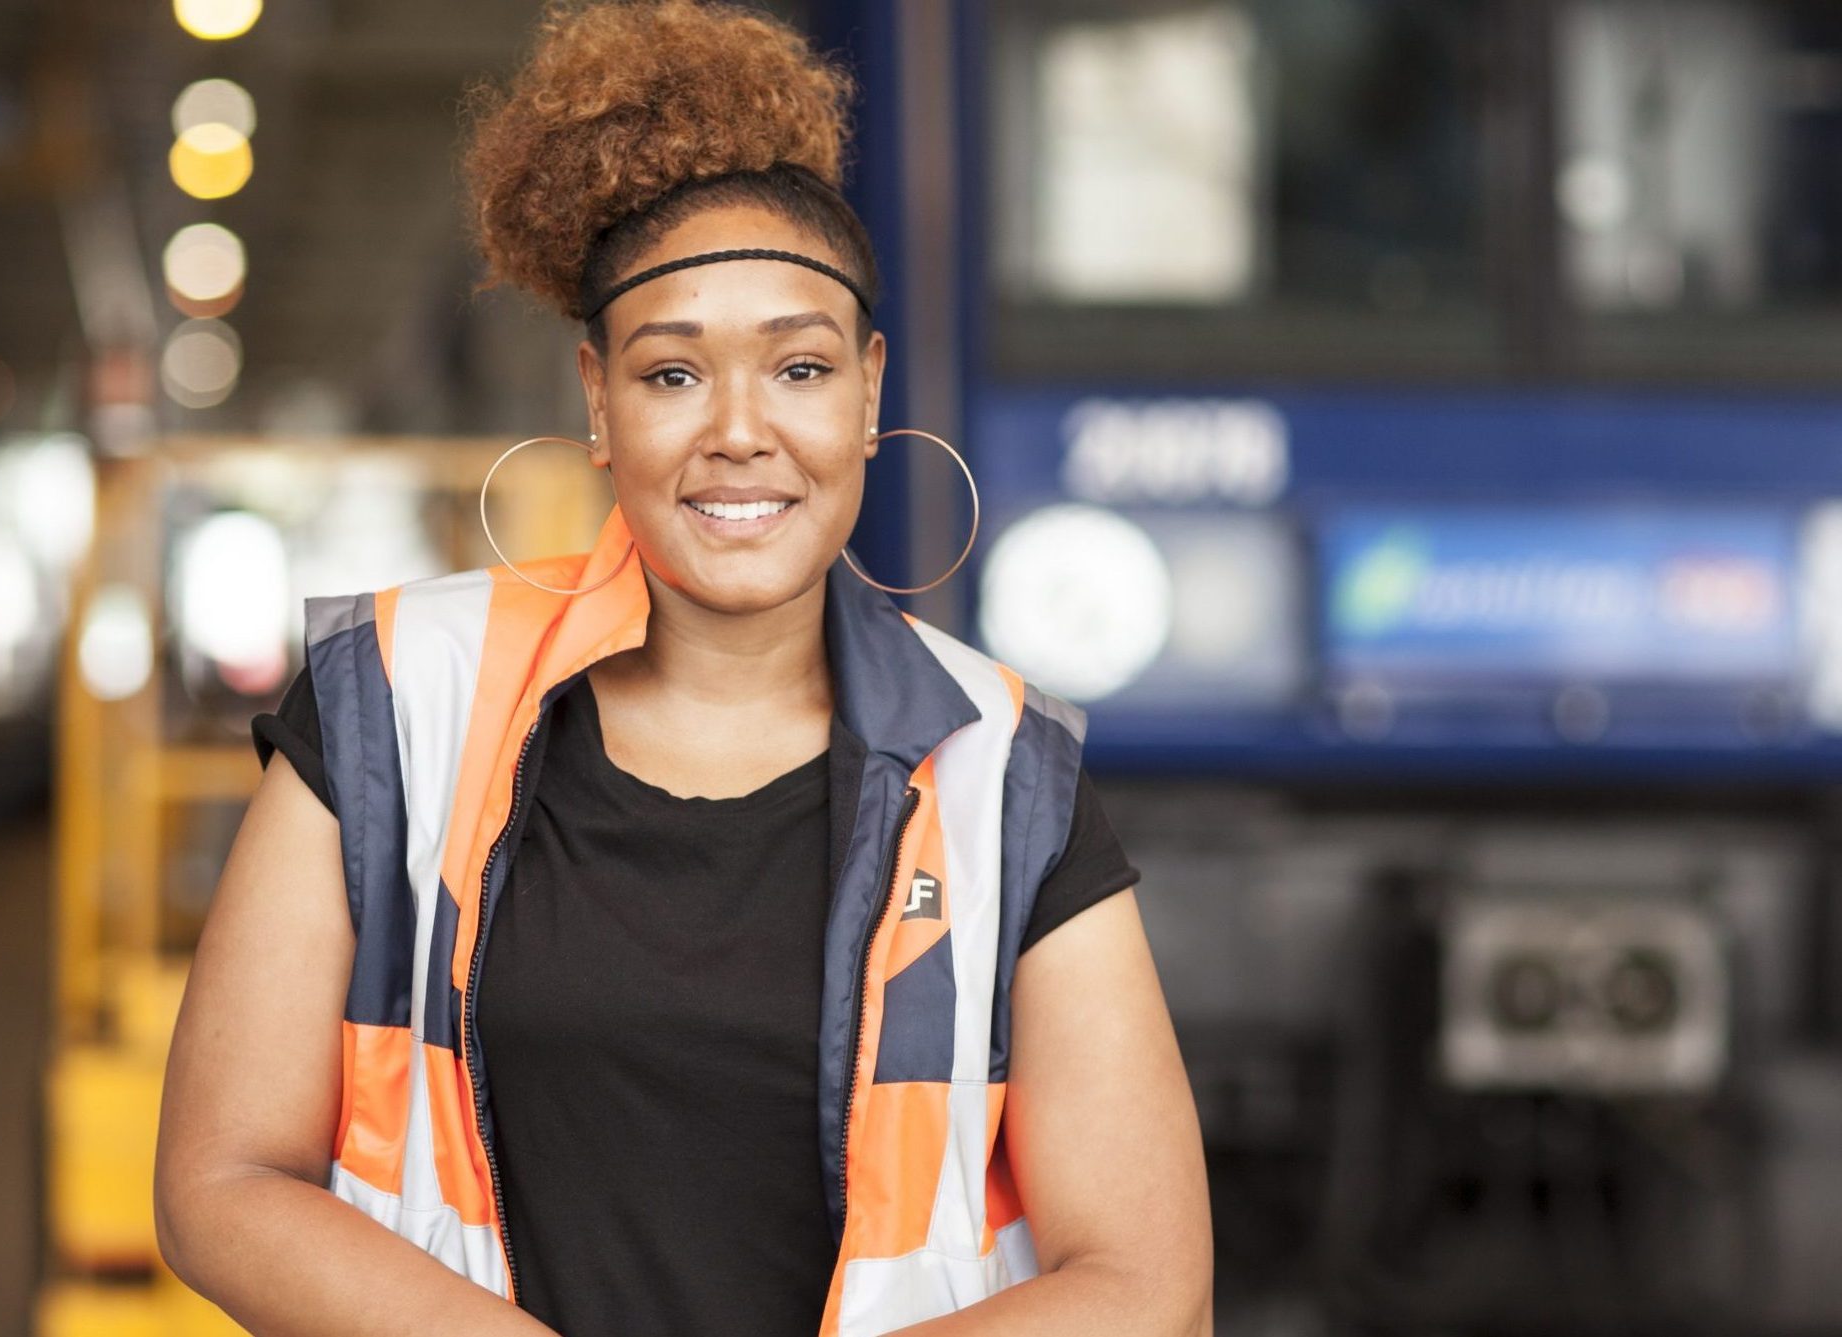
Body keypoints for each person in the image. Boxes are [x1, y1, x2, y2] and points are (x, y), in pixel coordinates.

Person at [153, 3, 1213, 1333]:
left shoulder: (1005, 775)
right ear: (596, 401)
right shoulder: (391, 707)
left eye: (802, 366)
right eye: (671, 375)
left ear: (870, 394)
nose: (740, 434)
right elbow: (219, 1178)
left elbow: (1147, 1281)